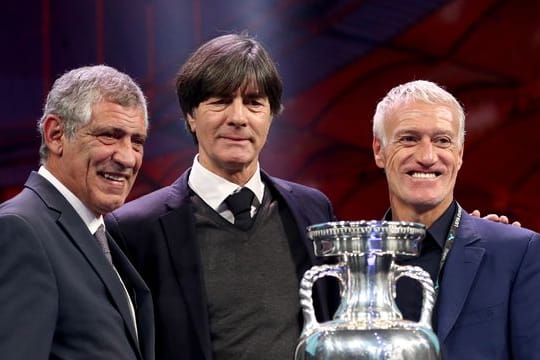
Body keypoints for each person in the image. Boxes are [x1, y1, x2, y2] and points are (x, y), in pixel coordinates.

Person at [105, 33, 337, 360]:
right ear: (190, 115)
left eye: (254, 103)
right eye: (220, 101)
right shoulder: (134, 230)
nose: (238, 118)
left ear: (271, 116)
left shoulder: (313, 209)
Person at [372, 79, 540, 359]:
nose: (427, 156)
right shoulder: (349, 260)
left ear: (459, 154)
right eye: (409, 139)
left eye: (442, 141)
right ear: (379, 150)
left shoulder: (517, 253)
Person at [0, 65, 154, 359]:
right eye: (110, 135)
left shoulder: (99, 233)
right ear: (55, 134)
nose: (127, 158)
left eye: (137, 142)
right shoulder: (19, 229)